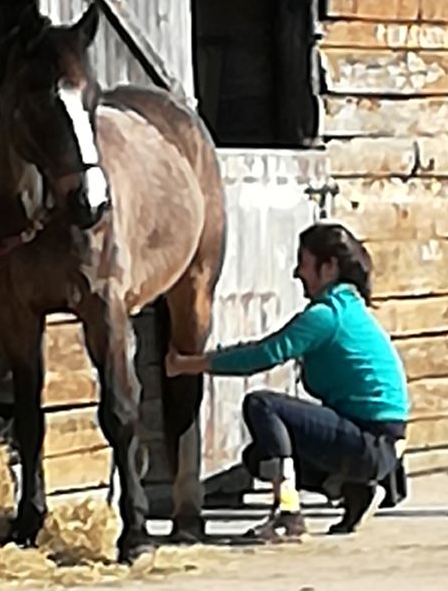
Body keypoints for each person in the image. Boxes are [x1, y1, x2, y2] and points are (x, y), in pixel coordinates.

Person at [166, 221, 410, 542]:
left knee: (262, 405)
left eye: (304, 262)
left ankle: (289, 513)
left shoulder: (327, 315)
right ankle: (351, 490)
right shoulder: (351, 309)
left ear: (329, 267)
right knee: (258, 458)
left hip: (369, 443)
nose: (297, 273)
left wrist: (188, 364)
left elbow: (263, 355)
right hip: (384, 446)